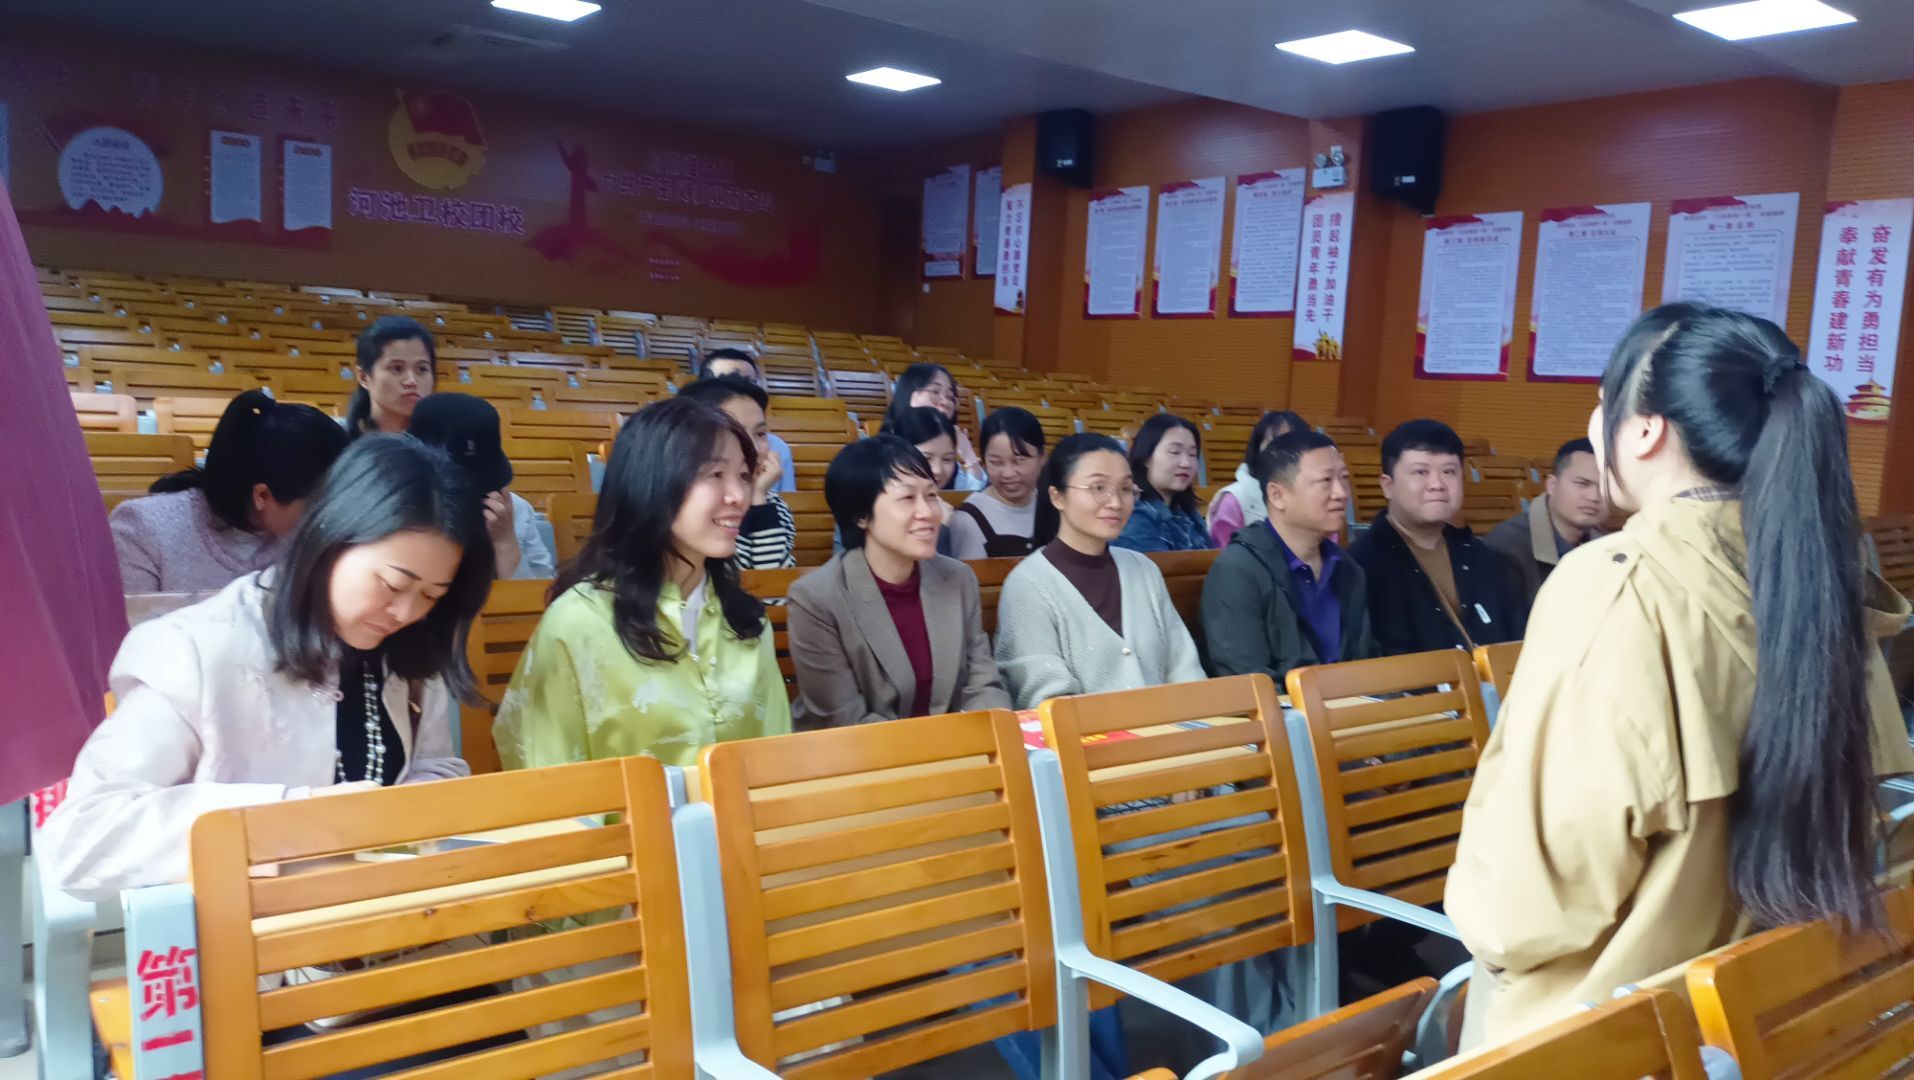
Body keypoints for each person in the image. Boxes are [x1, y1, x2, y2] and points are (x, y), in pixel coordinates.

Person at [1447, 303, 1914, 1048]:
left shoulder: (1616, 584)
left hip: (1610, 1039)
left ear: (1645, 431)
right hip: (1775, 1028)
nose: (1593, 423)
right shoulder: (1823, 583)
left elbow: (1521, 913)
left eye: (1602, 401)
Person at [42, 436, 493, 900]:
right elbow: (83, 841)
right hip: (251, 932)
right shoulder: (196, 649)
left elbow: (436, 765)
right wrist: (300, 815)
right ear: (329, 539)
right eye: (393, 584)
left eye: (432, 595)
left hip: (390, 911)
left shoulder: (408, 646)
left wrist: (410, 807)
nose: (406, 612)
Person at [494, 397, 791, 769]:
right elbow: (544, 774)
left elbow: (779, 758)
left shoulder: (746, 620)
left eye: (744, 476)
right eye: (715, 474)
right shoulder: (578, 622)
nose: (738, 496)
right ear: (651, 482)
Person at [788, 436, 1011, 728]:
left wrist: (990, 735)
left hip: (957, 746)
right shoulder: (817, 599)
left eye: (931, 495)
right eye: (907, 498)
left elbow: (983, 684)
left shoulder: (957, 579)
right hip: (865, 752)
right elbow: (845, 720)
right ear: (861, 515)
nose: (928, 512)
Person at [994, 433, 1205, 709]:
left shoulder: (1143, 570)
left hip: (1171, 729)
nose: (1115, 502)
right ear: (1058, 497)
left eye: (1125, 488)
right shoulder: (1028, 585)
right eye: (1098, 487)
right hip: (1084, 736)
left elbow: (1185, 670)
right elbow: (1049, 701)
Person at [110, 390, 349, 593]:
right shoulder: (143, 531)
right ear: (262, 496)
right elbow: (129, 628)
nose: (330, 519)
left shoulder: (315, 540)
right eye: (319, 506)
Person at [1202, 430, 1373, 683]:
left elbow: (1368, 664)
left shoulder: (1348, 569)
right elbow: (1248, 682)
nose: (1341, 493)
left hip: (1353, 704)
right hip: (1286, 708)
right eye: (1325, 480)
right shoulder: (1237, 571)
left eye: (1344, 478)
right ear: (1277, 495)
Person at [1348, 419, 1525, 656]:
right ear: (1387, 485)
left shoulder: (1487, 559)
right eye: (1421, 472)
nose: (1437, 484)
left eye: (1448, 472)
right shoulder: (1360, 566)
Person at [407, 393, 556, 580]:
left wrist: (506, 543)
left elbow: (541, 589)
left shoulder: (513, 511)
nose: (469, 497)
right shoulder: (394, 509)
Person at [676, 376, 796, 570]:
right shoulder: (689, 501)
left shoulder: (774, 506)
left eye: (760, 434)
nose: (754, 448)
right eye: (735, 432)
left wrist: (758, 498)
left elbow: (772, 580)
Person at [1483, 437, 1606, 604]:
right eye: (1582, 484)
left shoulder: (1609, 546)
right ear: (1552, 485)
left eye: (1605, 487)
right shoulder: (1508, 545)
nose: (1594, 497)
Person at [950, 406, 1046, 559]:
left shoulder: (1054, 505)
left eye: (1019, 460)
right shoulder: (969, 519)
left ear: (1042, 458)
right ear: (984, 461)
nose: (1008, 473)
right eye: (996, 462)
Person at [700, 347, 796, 494]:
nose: (741, 390)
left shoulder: (777, 448)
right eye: (727, 382)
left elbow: (788, 501)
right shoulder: (691, 450)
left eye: (749, 383)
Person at [1206, 410, 1306, 548]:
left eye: (1292, 445)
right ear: (1257, 448)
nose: (1283, 453)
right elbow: (1226, 556)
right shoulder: (1234, 501)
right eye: (1274, 443)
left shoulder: (1314, 497)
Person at [1114, 413, 1212, 553]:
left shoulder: (1188, 513)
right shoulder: (1135, 517)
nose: (1186, 463)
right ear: (1146, 457)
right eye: (1175, 452)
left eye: (1192, 454)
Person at [886, 361, 984, 486]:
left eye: (950, 396)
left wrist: (970, 458)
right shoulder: (884, 449)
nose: (945, 402)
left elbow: (968, 493)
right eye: (935, 392)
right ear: (910, 394)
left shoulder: (946, 447)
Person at [345, 316, 438, 435]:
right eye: (397, 368)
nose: (411, 381)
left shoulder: (448, 440)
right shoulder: (338, 441)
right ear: (364, 377)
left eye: (422, 369)